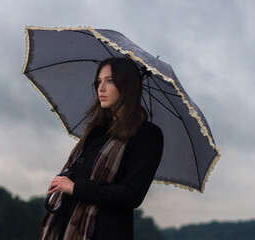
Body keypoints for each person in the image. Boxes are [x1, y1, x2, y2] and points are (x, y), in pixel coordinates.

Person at [39, 57, 164, 240]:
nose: (101, 88)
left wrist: (76, 188)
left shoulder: (147, 135)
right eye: (99, 81)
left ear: (127, 86)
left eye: (109, 81)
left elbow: (131, 194)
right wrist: (64, 181)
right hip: (66, 226)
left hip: (106, 231)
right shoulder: (96, 130)